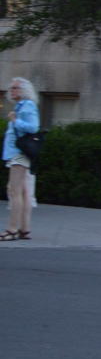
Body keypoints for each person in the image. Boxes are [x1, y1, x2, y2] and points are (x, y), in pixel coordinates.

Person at [2, 77, 39, 240]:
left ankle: (12, 230)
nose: (12, 90)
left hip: (19, 153)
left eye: (16, 88)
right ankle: (24, 229)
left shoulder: (27, 106)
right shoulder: (21, 106)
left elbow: (33, 127)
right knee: (23, 192)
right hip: (18, 153)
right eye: (11, 88)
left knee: (14, 191)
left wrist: (15, 120)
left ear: (24, 90)